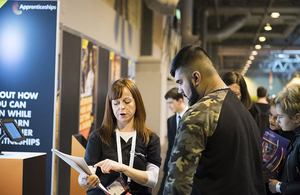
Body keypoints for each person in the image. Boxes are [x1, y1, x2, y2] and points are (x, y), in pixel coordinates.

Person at [163, 45, 266, 195]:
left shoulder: (198, 113)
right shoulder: (244, 112)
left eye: (180, 82)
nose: (180, 90)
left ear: (196, 77)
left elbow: (176, 186)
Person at [79, 78, 162, 195]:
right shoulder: (98, 137)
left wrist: (123, 168)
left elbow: (152, 179)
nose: (121, 107)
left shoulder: (150, 138)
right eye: (116, 103)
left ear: (136, 103)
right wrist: (85, 180)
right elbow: (86, 174)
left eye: (127, 101)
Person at [268, 83, 300, 194]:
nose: (277, 121)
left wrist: (279, 186)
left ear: (297, 118)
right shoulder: (296, 137)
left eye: (280, 117)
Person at [157, 87, 188, 195]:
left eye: (170, 103)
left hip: (188, 165)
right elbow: (171, 145)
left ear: (180, 101)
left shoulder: (192, 117)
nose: (169, 106)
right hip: (172, 163)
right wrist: (167, 166)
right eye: (167, 103)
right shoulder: (170, 121)